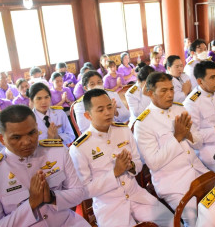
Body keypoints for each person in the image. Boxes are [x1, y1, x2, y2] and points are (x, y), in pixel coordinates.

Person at [69, 89, 173, 226]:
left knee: (172, 221)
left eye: (109, 107)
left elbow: (138, 162)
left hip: (137, 196)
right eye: (100, 110)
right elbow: (85, 190)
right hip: (110, 206)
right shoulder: (79, 148)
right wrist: (115, 173)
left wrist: (131, 166)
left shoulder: (123, 130)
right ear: (88, 116)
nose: (107, 112)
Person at [0, 105, 89, 227]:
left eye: (32, 133)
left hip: (67, 223)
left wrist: (52, 197)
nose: (26, 141)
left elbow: (79, 193)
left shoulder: (57, 151)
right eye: (16, 137)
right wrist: (31, 204)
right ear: (2, 139)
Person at [134, 72, 209, 227]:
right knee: (194, 218)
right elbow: (154, 163)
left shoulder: (179, 109)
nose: (170, 95)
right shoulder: (143, 123)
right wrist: (177, 137)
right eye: (163, 91)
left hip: (198, 171)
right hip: (174, 182)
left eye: (171, 90)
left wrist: (188, 135)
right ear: (150, 93)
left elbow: (199, 143)